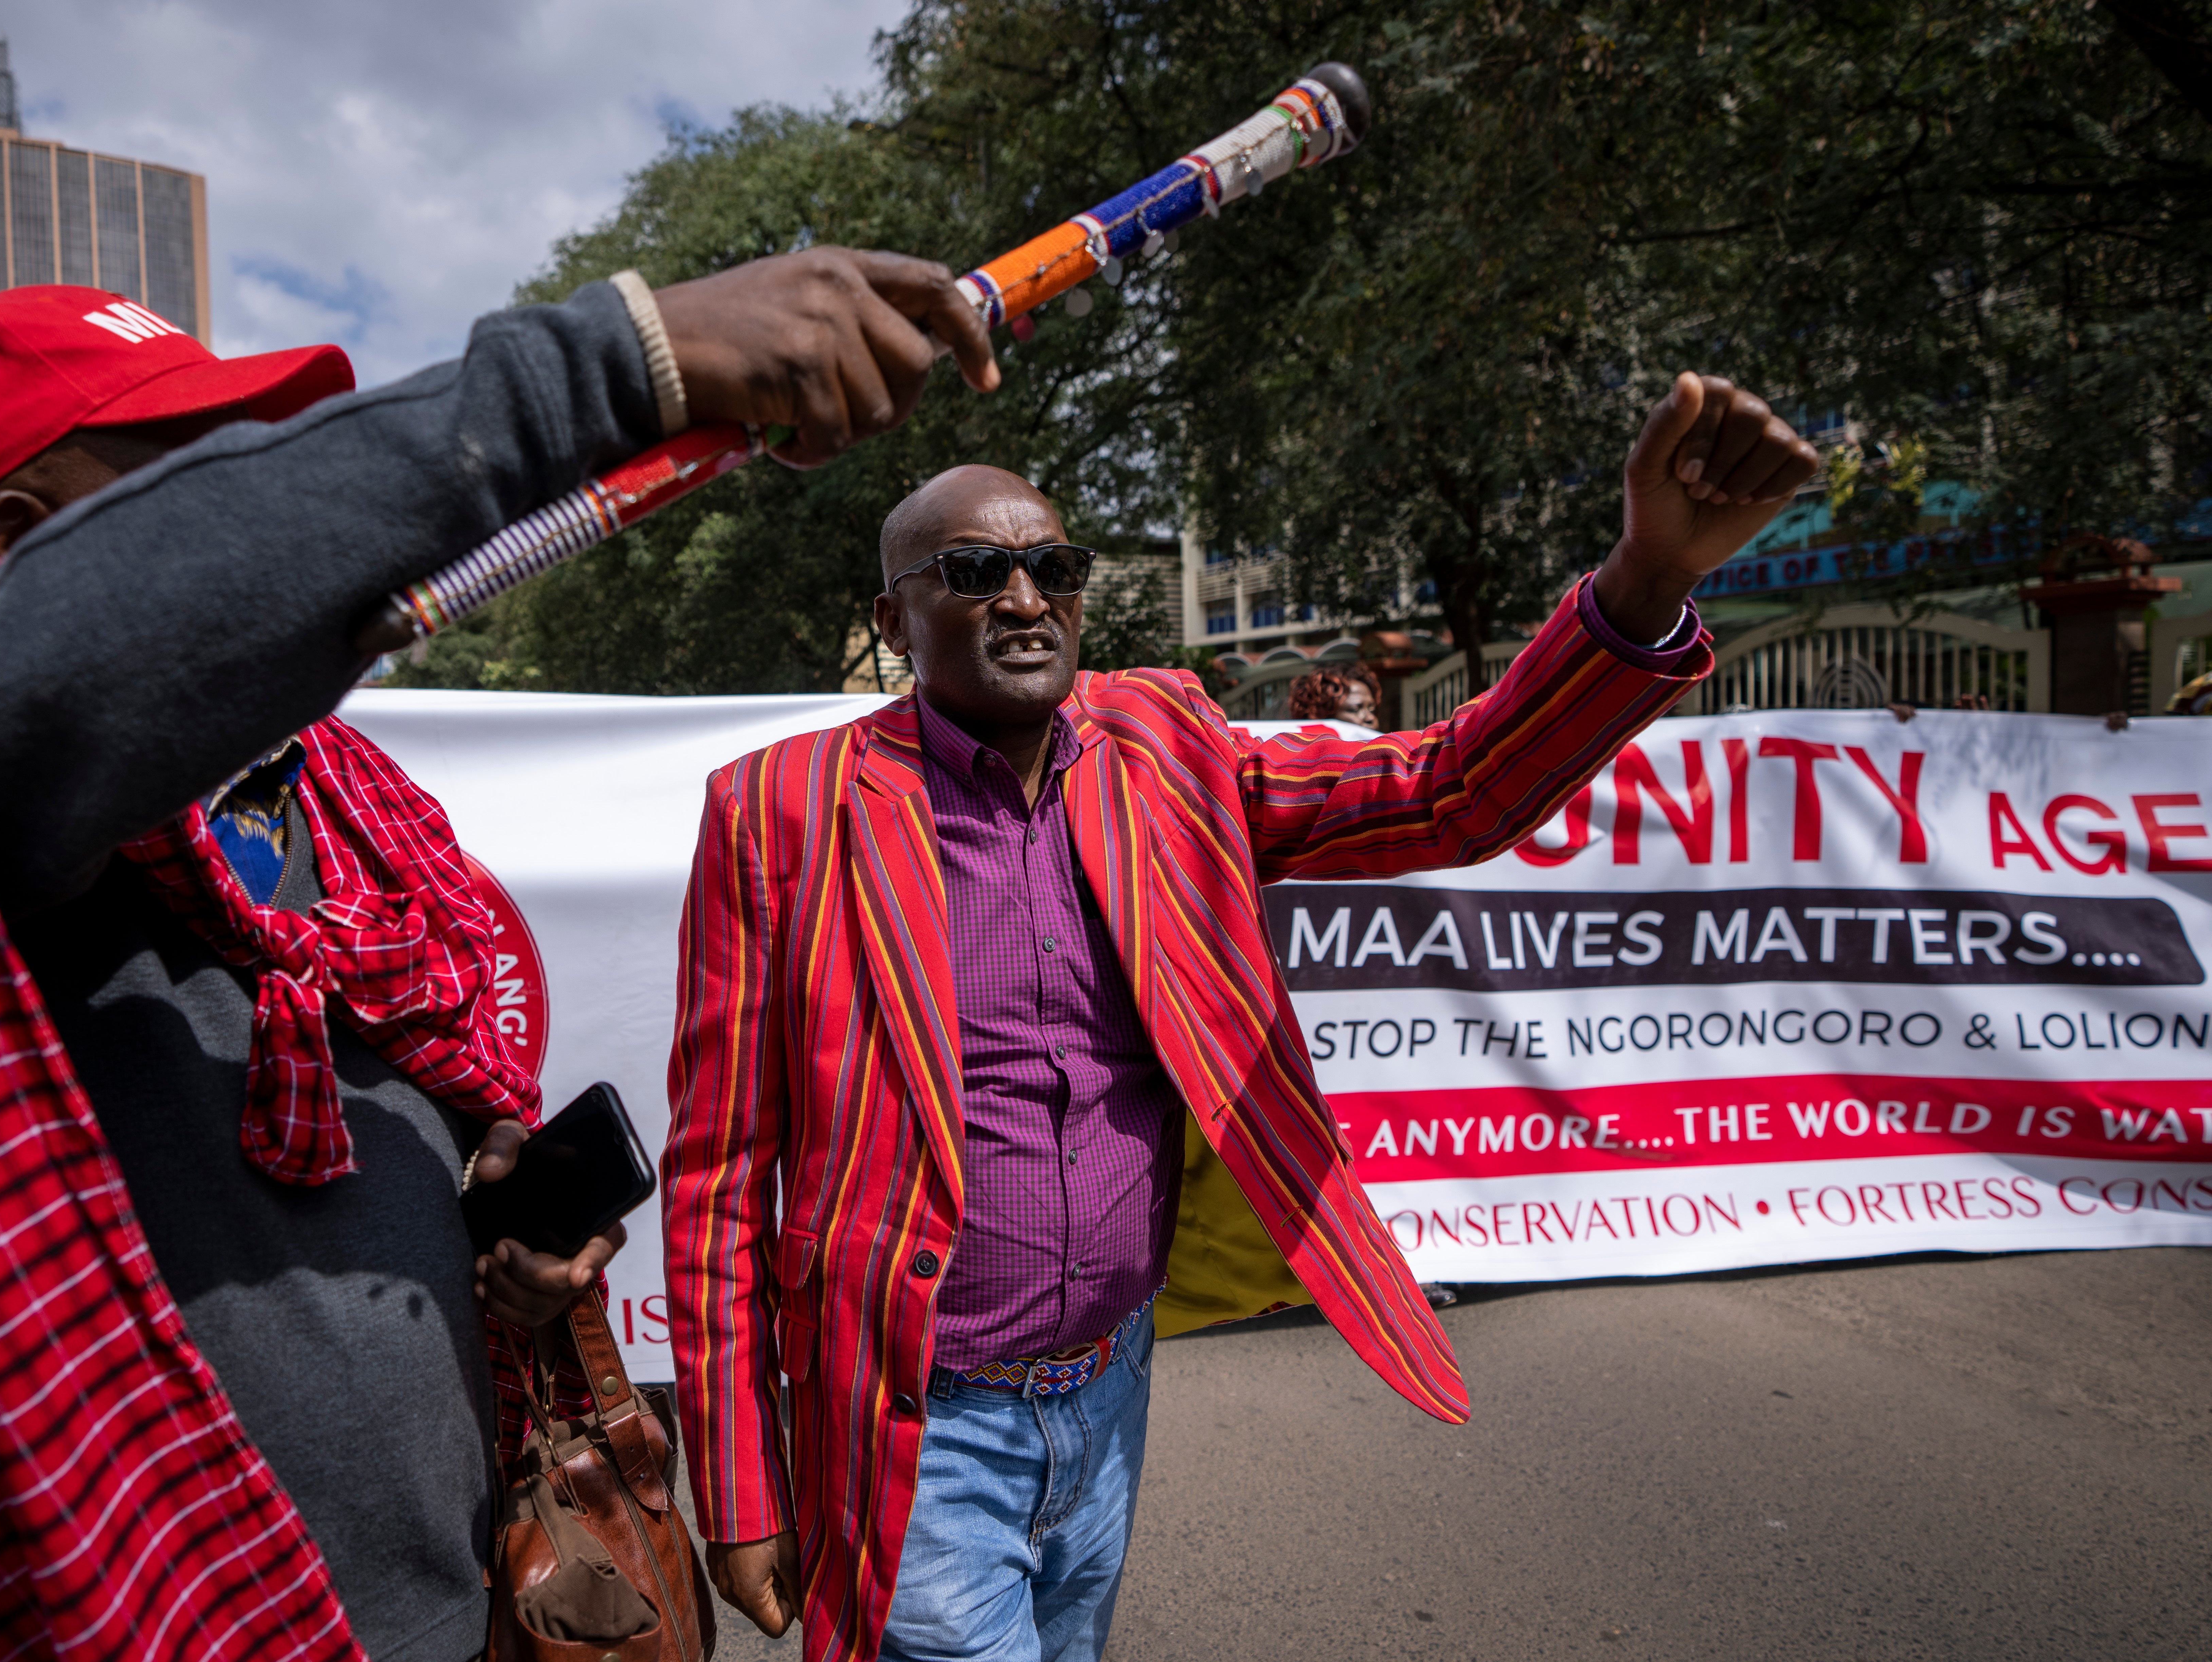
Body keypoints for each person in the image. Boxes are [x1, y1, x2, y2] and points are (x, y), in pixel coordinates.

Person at [0, 252, 997, 1660]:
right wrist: (622, 360)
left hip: (466, 1586)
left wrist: (505, 1227)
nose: (299, 530)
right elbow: (69, 656)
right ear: (11, 550)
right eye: (202, 487)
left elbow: (419, 1130)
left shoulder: (345, 800)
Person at [664, 372, 1819, 1662]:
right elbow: (720, 1177)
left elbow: (1453, 792)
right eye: (977, 570)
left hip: (1108, 1388)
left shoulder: (1169, 747)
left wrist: (1646, 576)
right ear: (895, 615)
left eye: (1055, 564)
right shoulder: (779, 810)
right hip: (915, 1420)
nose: (1028, 598)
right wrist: (738, 1484)